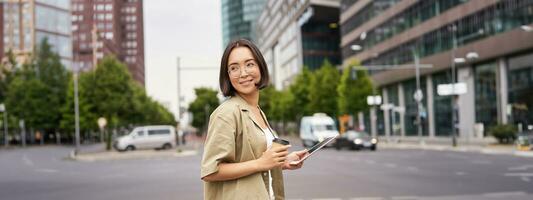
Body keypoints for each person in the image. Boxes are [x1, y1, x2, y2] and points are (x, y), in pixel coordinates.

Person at [201, 39, 308, 200]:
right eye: (234, 68)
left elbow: (255, 160)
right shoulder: (226, 113)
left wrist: (282, 162)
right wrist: (261, 163)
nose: (243, 73)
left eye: (249, 64)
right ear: (228, 75)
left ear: (260, 67)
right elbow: (211, 171)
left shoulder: (257, 111)